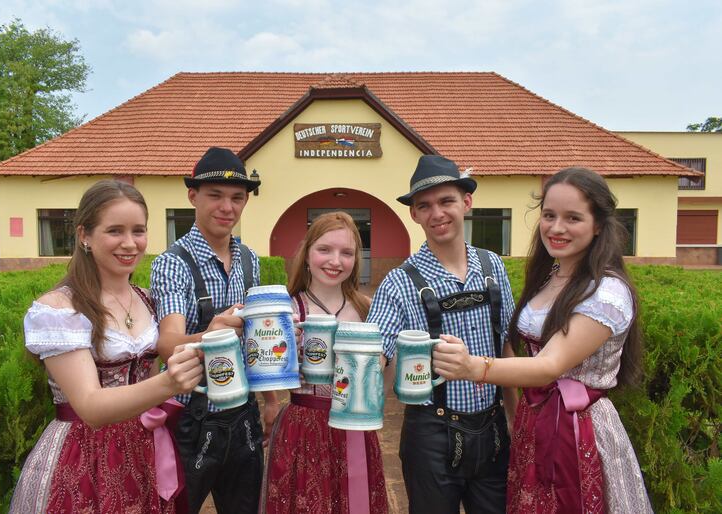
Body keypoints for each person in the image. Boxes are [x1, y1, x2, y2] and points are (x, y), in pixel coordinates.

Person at [432, 167, 653, 512]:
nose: (557, 228)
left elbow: (548, 366)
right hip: (536, 421)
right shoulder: (550, 275)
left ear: (598, 225)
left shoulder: (607, 292)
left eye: (573, 218)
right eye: (549, 215)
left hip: (579, 431)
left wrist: (473, 367)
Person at [10, 180, 202, 513]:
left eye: (138, 231)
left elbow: (148, 377)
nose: (130, 243)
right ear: (84, 235)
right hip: (83, 456)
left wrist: (212, 335)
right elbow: (91, 406)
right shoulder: (60, 310)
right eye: (115, 231)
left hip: (143, 449)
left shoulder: (146, 300)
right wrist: (169, 383)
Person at [367, 155, 517, 514]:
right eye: (425, 206)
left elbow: (507, 347)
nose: (437, 213)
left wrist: (515, 419)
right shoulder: (399, 282)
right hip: (431, 434)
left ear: (466, 202)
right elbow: (376, 355)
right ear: (413, 214)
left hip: (495, 427)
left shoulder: (493, 266)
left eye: (446, 201)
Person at [150, 147, 280, 514]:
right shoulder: (173, 263)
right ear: (193, 196)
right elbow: (169, 344)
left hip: (243, 414)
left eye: (237, 198)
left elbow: (256, 340)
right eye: (215, 196)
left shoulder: (250, 260)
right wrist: (213, 331)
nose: (227, 207)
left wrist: (270, 402)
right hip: (192, 416)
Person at [261, 211, 389, 513]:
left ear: (356, 260)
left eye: (347, 253)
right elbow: (264, 365)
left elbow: (382, 377)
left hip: (356, 426)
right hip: (302, 427)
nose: (336, 261)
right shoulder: (288, 309)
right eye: (324, 249)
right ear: (307, 255)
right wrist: (271, 397)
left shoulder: (367, 309)